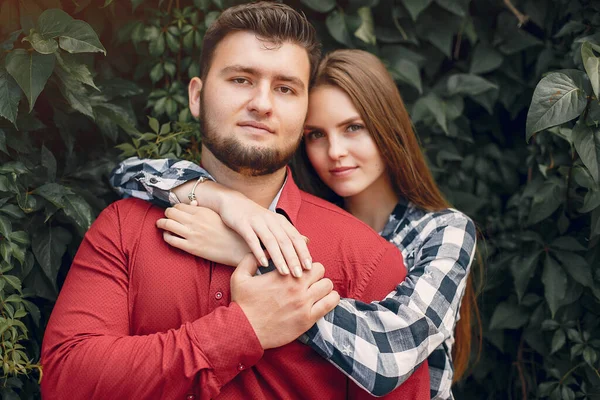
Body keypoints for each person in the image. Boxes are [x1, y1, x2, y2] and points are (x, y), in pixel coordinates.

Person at [41, 3, 431, 400]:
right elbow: (66, 379)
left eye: (285, 88)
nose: (262, 103)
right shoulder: (125, 227)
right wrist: (243, 329)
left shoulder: (367, 258)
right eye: (241, 79)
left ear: (304, 111)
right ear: (197, 96)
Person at [110, 48, 478, 399]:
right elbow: (127, 174)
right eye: (316, 134)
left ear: (388, 127)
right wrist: (222, 199)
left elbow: (389, 354)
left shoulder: (443, 231)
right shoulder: (298, 210)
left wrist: (250, 252)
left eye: (353, 128)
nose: (335, 151)